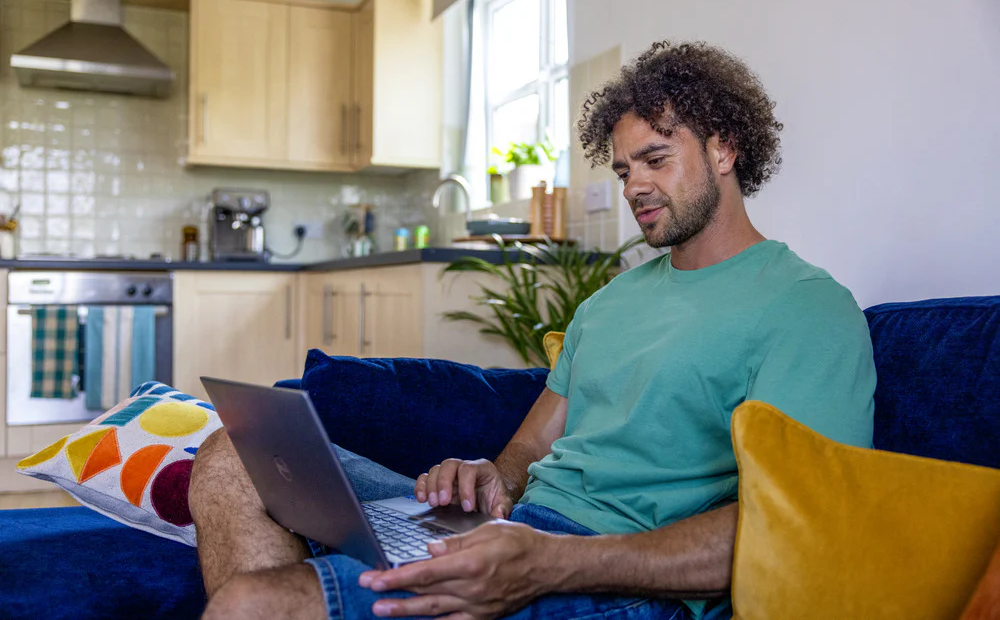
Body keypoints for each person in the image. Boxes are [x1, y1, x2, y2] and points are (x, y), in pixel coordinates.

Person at [189, 41, 876, 620]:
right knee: (232, 453)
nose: (634, 185)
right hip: (516, 532)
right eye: (623, 168)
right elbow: (529, 449)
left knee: (254, 603)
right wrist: (493, 479)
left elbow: (792, 526)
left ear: (725, 149)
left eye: (656, 159)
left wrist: (551, 563)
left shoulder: (805, 307)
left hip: (609, 572)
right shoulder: (613, 301)